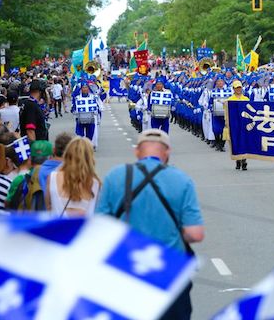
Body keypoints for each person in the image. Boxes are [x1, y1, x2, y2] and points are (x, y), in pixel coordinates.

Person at [96, 129, 203, 320]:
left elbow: (99, 227)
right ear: (167, 151)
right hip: (169, 271)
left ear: (137, 151)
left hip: (126, 269)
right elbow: (195, 234)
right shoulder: (182, 180)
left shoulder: (115, 176)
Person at [45, 137, 100, 217]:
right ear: (90, 158)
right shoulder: (94, 183)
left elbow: (48, 206)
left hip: (58, 227)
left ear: (67, 154)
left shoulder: (53, 177)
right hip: (83, 228)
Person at [227, 80, 250, 171]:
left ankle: (244, 160)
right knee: (236, 141)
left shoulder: (246, 99)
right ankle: (237, 159)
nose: (238, 90)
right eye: (236, 88)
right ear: (233, 89)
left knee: (244, 142)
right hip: (234, 124)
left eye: (239, 88)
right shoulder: (230, 100)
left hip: (244, 123)